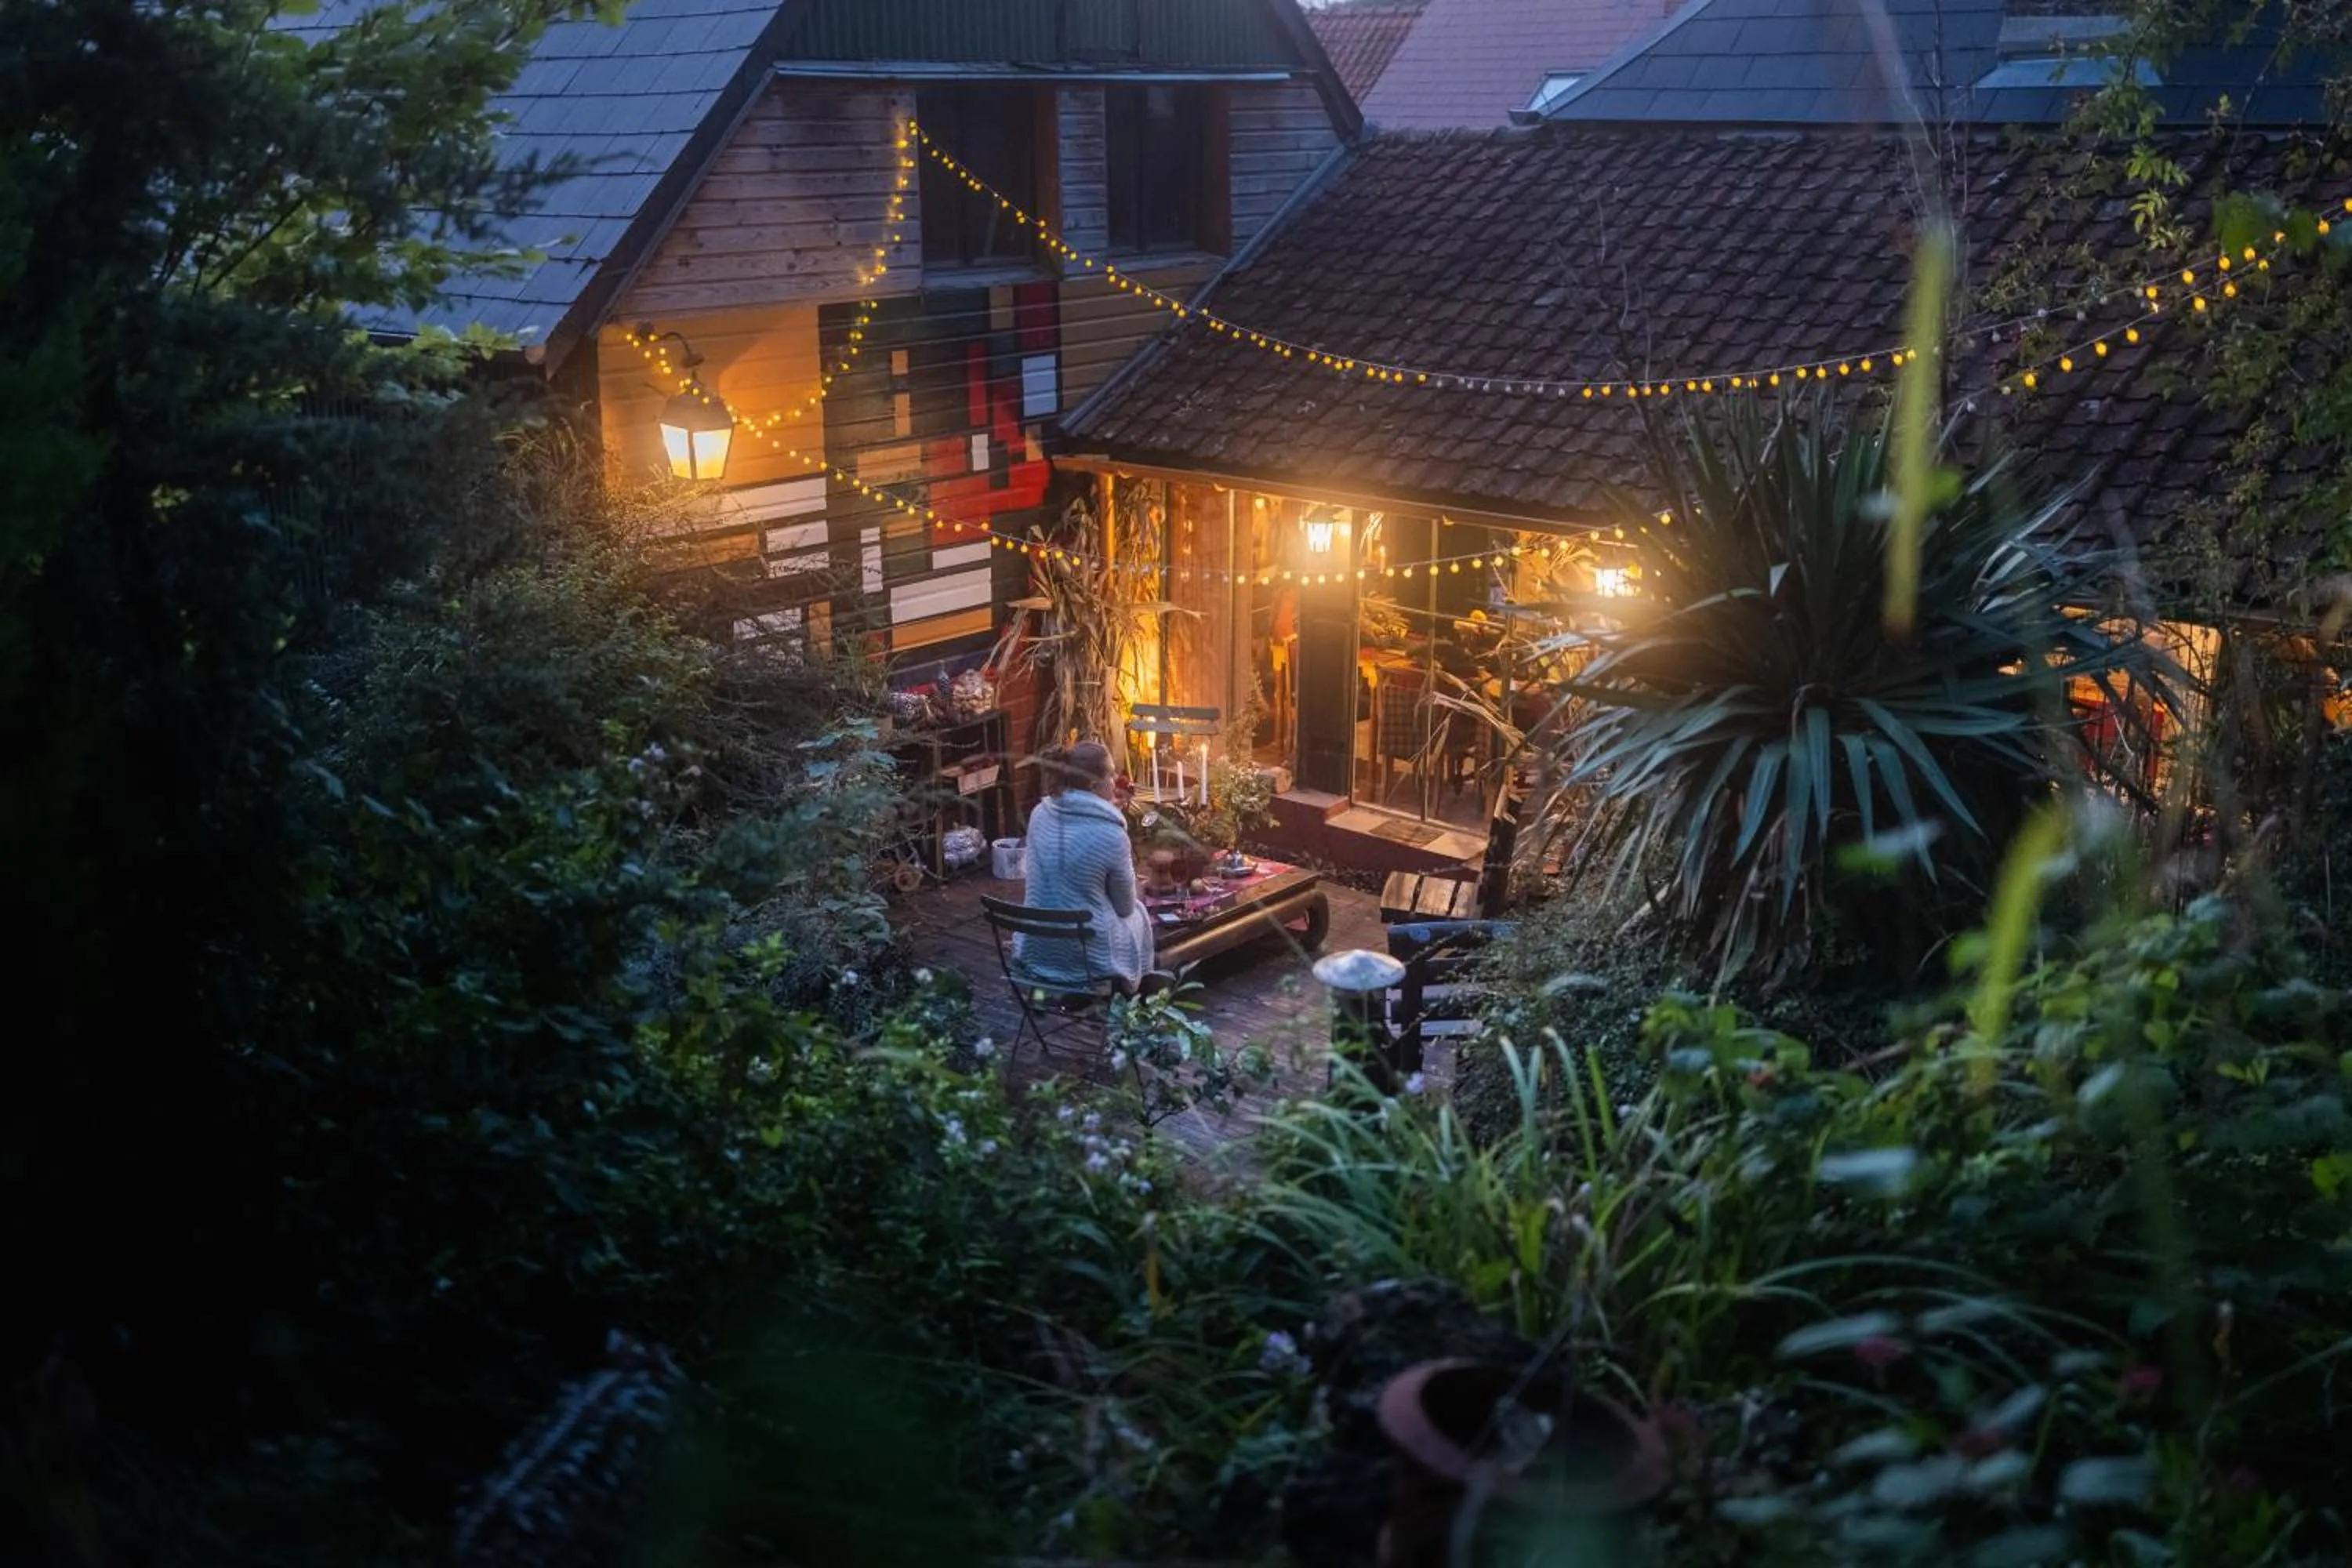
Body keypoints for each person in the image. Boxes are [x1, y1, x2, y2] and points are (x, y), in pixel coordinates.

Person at [1017, 740, 1159, 993]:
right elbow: (1124, 907)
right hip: (1086, 956)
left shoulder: (1039, 813)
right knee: (1139, 912)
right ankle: (1134, 1004)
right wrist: (1139, 887)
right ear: (1094, 784)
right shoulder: (1111, 834)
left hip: (1038, 945)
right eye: (1112, 774)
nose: (1116, 780)